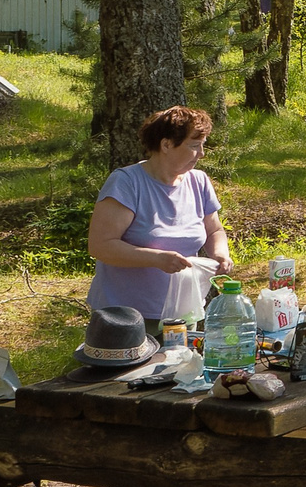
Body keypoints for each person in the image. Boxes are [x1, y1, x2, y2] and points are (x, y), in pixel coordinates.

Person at [86, 105, 232, 328]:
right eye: (194, 146)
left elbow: (214, 230)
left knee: (181, 363)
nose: (201, 153)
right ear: (166, 145)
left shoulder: (198, 181)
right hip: (125, 318)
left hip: (182, 313)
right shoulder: (127, 183)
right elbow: (101, 246)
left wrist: (221, 254)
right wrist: (157, 259)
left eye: (202, 145)